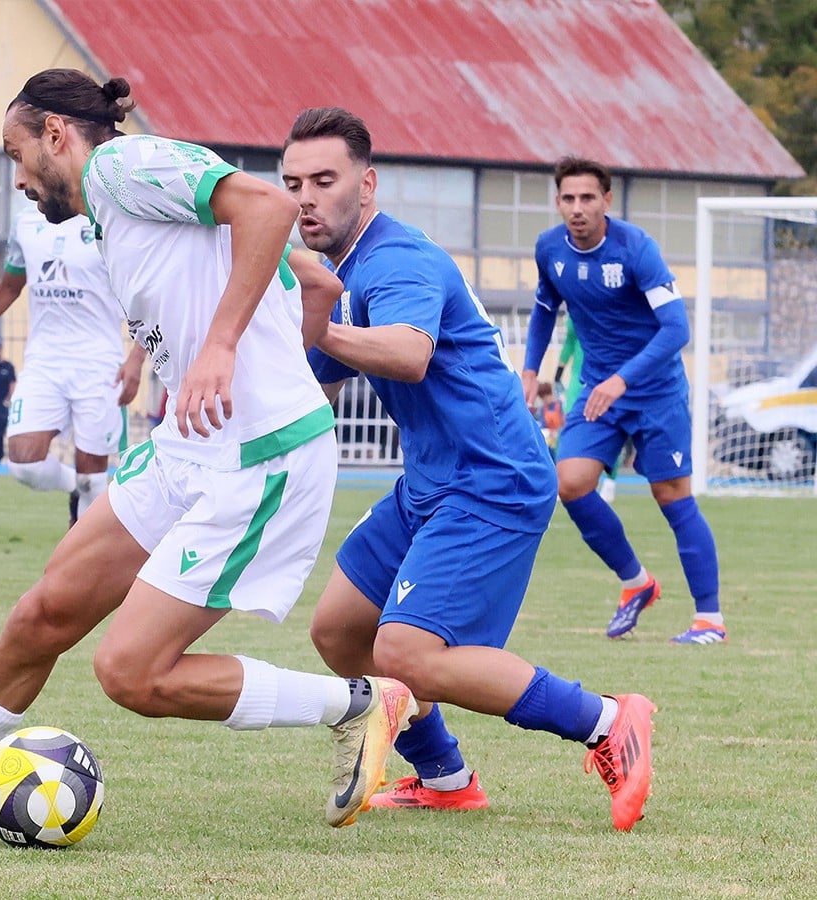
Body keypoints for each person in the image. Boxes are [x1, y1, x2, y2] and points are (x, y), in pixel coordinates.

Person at [0, 69, 414, 834]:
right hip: (186, 446)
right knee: (42, 615)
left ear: (57, 134)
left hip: (254, 458)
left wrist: (228, 352)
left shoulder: (124, 168)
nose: (18, 178)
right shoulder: (109, 216)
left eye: (16, 154)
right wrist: (268, 355)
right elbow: (317, 285)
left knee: (129, 672)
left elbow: (269, 205)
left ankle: (358, 702)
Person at [282, 107, 655, 831]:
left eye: (324, 179)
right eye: (292, 181)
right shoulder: (343, 274)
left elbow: (408, 352)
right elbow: (313, 384)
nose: (305, 197)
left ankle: (610, 722)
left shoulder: (396, 260)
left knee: (405, 652)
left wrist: (312, 322)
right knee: (339, 632)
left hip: (493, 480)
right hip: (430, 482)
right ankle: (446, 776)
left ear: (367, 184)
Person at [522, 156, 726, 645]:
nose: (577, 208)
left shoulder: (637, 249)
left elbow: (677, 329)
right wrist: (529, 371)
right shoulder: (550, 249)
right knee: (569, 483)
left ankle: (710, 620)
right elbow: (544, 311)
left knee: (671, 496)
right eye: (568, 198)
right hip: (599, 392)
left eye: (588, 198)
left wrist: (621, 380)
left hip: (654, 390)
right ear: (557, 202)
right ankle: (637, 583)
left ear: (606, 201)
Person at [0, 206, 146, 525]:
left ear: (56, 152)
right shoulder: (25, 221)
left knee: (93, 475)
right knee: (24, 464)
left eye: (23, 159)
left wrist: (136, 358)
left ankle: (84, 564)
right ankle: (81, 488)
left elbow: (144, 292)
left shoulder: (109, 215)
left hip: (100, 365)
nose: (20, 178)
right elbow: (8, 287)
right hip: (43, 362)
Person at [556, 317, 617, 502]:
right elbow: (569, 342)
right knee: (566, 426)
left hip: (605, 377)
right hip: (577, 378)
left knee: (611, 429)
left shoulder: (609, 309)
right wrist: (558, 373)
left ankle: (610, 483)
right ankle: (561, 479)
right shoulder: (573, 315)